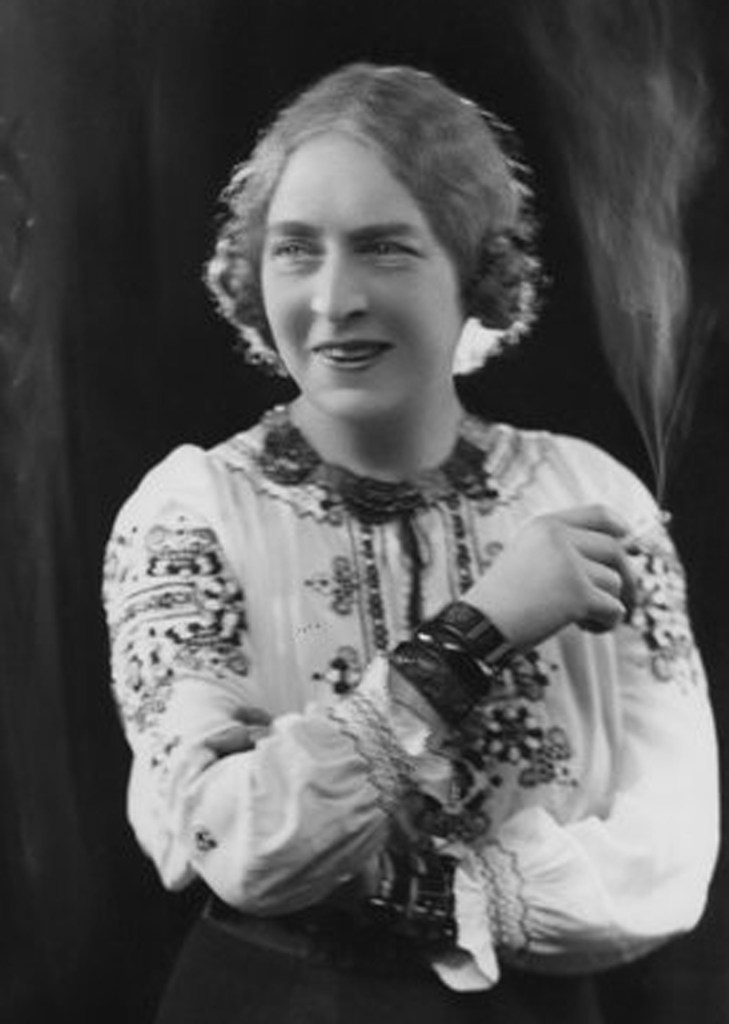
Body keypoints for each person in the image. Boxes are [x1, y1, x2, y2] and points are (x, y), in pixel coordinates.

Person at [102, 63, 719, 1024]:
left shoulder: (590, 496)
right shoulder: (192, 511)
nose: (332, 299)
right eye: (294, 249)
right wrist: (480, 630)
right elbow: (235, 842)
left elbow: (668, 851)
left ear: (474, 270)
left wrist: (430, 898)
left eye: (384, 248)